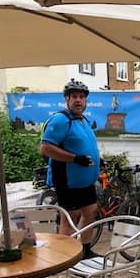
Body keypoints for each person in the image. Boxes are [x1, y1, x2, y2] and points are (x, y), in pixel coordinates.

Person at [40, 78, 101, 258]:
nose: (78, 100)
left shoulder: (83, 120)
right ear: (66, 99)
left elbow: (84, 146)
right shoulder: (60, 120)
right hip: (68, 180)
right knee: (69, 217)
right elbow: (45, 148)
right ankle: (63, 256)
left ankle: (84, 250)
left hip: (85, 180)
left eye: (82, 97)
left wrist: (98, 160)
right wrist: (75, 159)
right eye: (74, 96)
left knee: (90, 212)